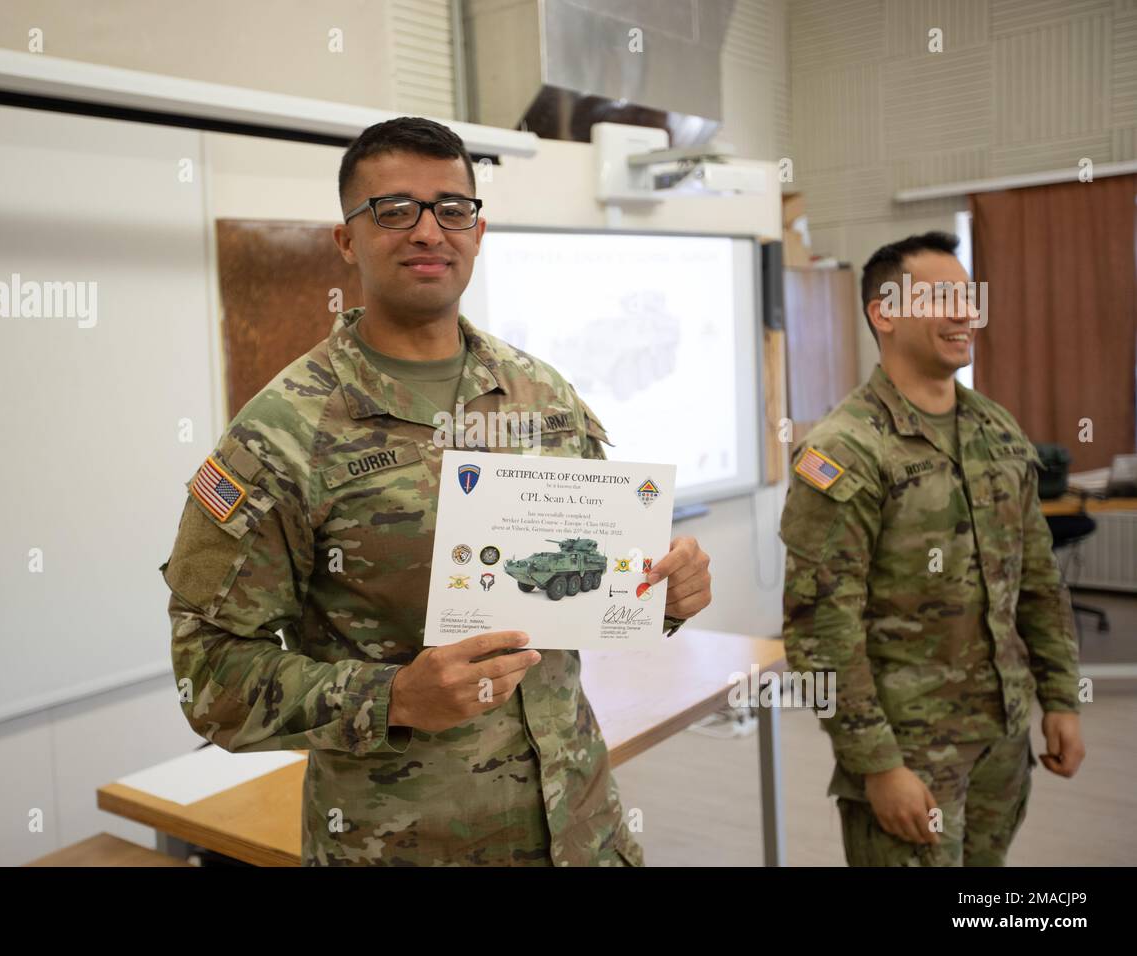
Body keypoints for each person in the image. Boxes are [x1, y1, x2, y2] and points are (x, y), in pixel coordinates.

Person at [160, 116, 713, 866]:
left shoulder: (540, 396)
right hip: (403, 846)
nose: (428, 230)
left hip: (579, 830)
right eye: (394, 210)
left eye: (452, 208)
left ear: (477, 232)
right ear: (347, 240)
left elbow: (589, 593)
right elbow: (209, 678)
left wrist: (661, 596)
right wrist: (392, 697)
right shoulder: (282, 435)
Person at [779, 231, 1085, 866]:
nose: (964, 312)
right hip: (908, 751)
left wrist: (1060, 697)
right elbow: (820, 629)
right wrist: (877, 764)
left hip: (1002, 741)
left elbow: (1037, 578)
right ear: (884, 312)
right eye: (942, 296)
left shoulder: (997, 429)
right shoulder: (845, 450)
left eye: (968, 296)